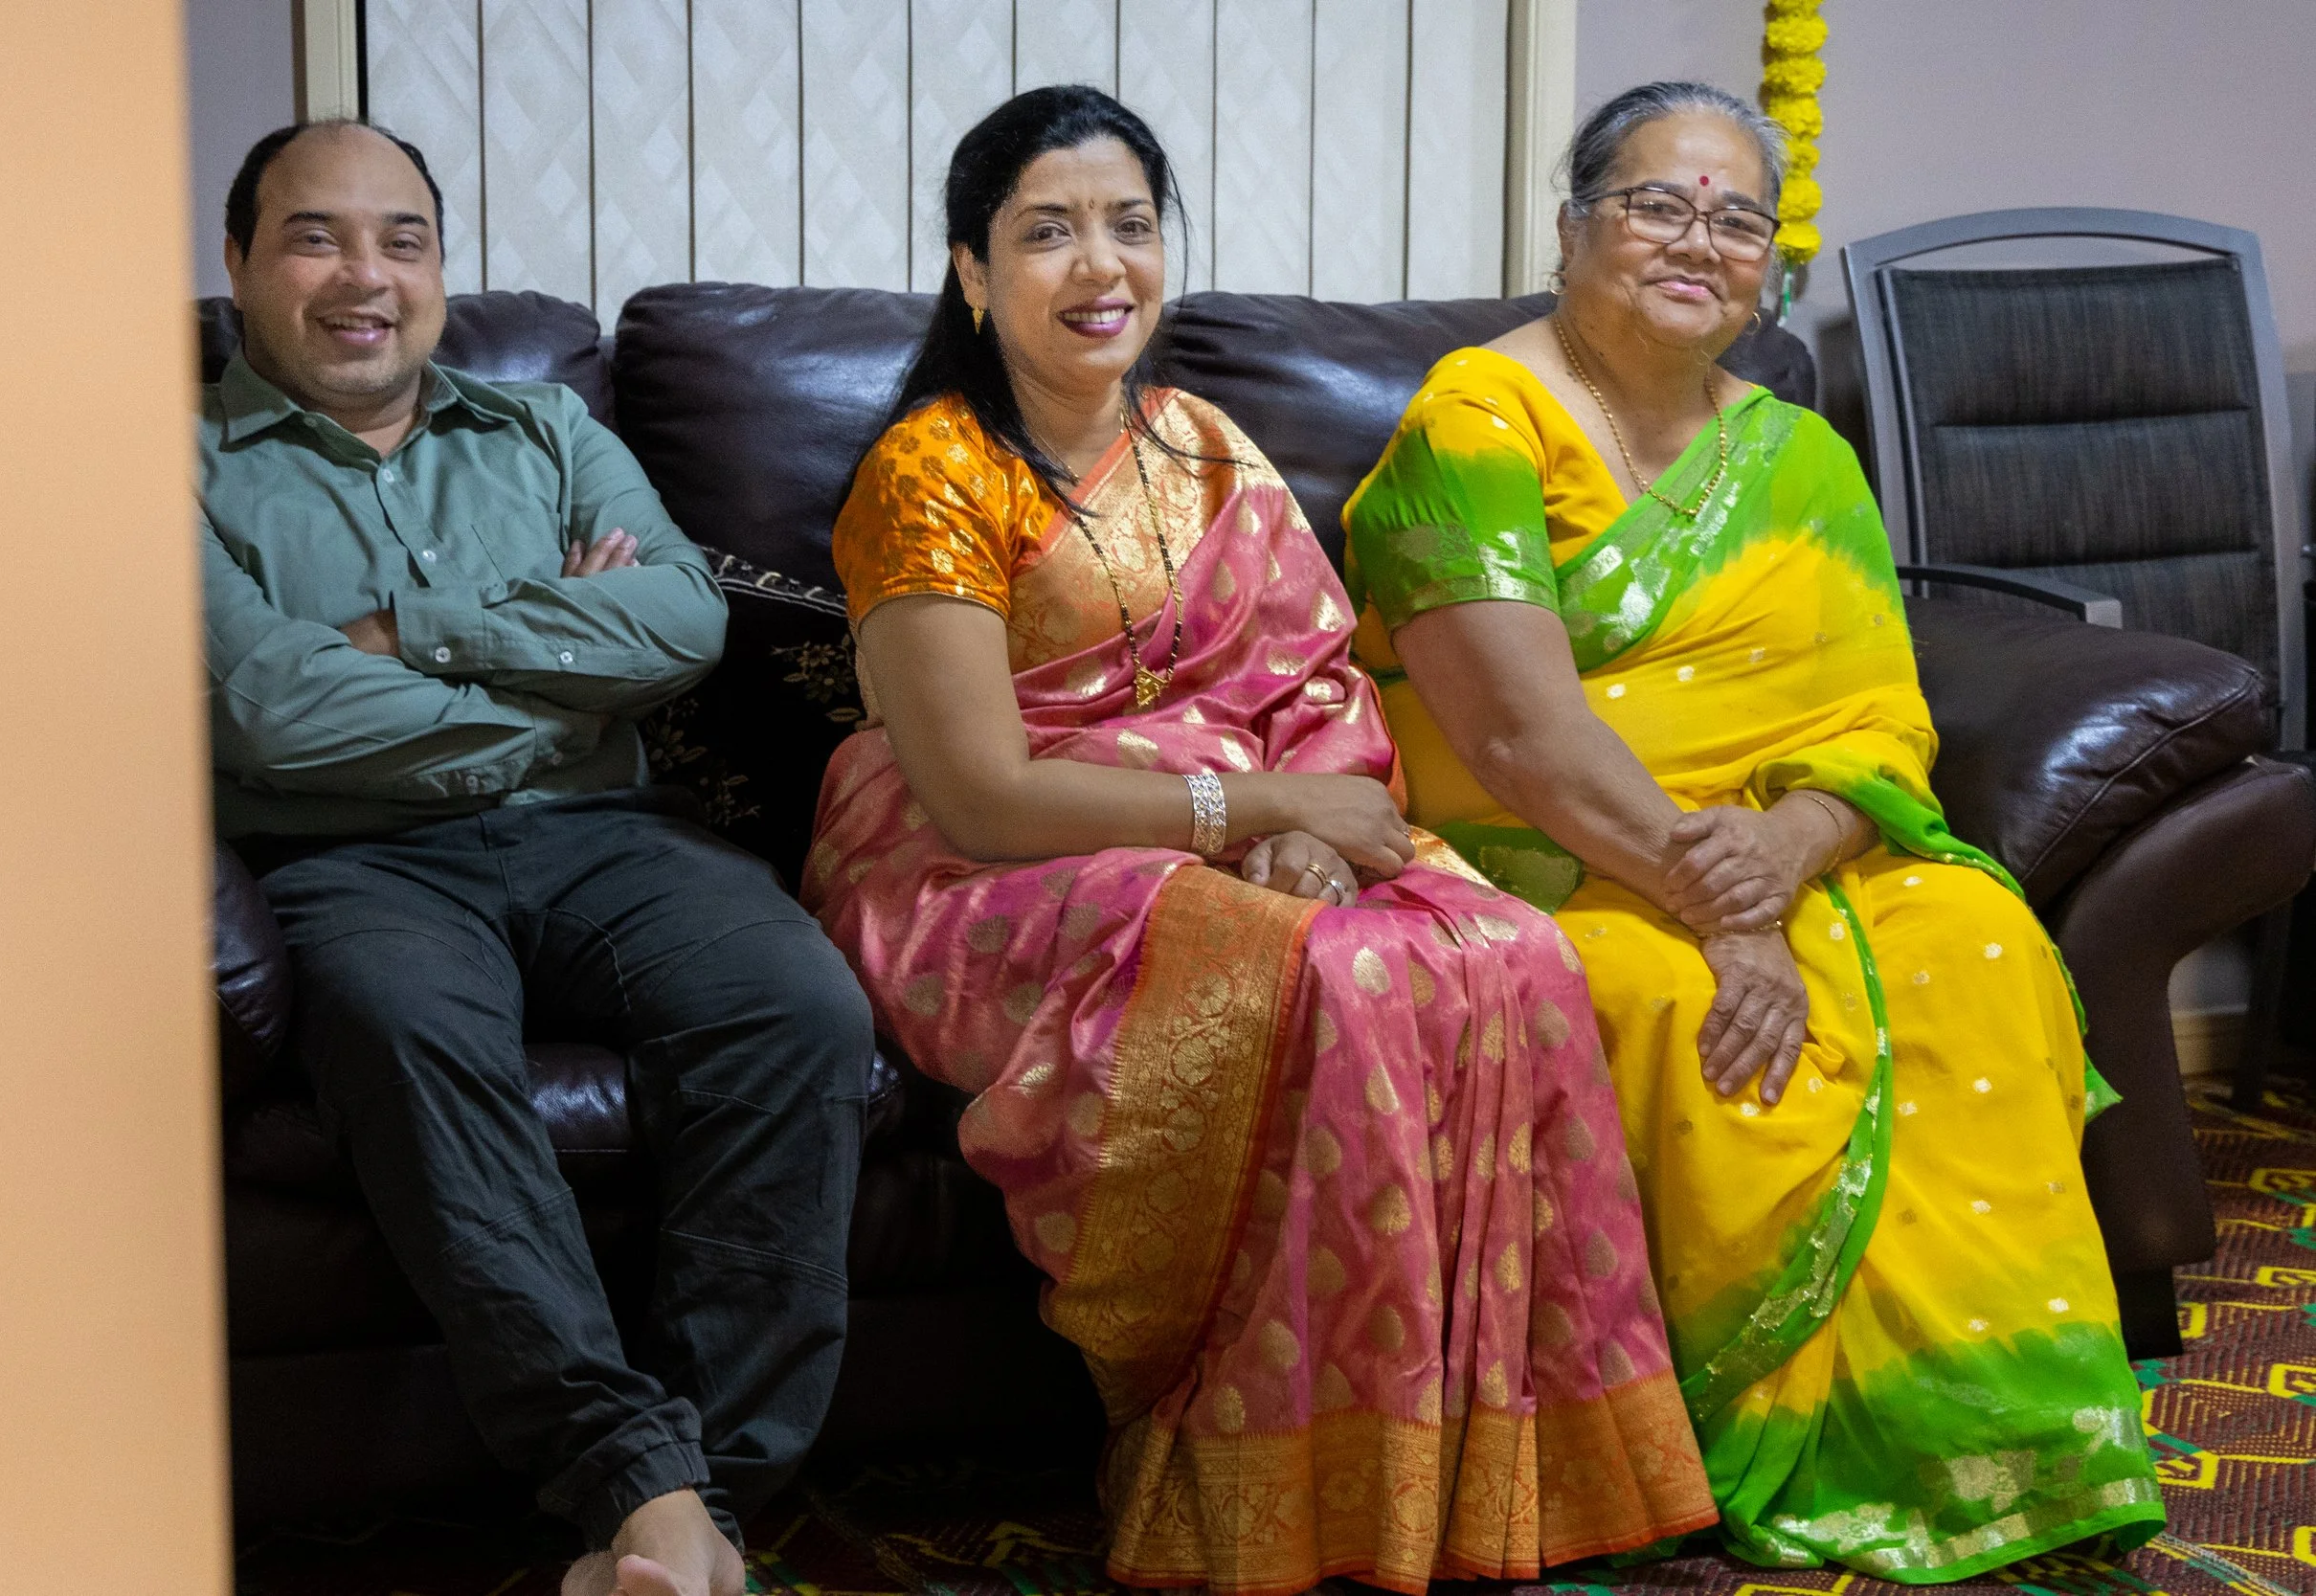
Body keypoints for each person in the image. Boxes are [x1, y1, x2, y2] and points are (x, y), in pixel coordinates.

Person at [802, 85, 1716, 1594]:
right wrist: (1260, 815)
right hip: (986, 867)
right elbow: (979, 793)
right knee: (1320, 981)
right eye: (1048, 233)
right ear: (972, 271)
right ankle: (1273, 1493)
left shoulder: (1208, 448)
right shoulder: (930, 474)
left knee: (1508, 951)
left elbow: (1314, 684)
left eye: (1131, 225)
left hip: (1246, 826)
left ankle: (1473, 1488)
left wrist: (1319, 835)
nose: (1101, 265)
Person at [1339, 80, 2167, 1581]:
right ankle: (1757, 1438)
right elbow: (1515, 734)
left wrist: (1784, 857)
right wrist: (1720, 906)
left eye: (1737, 221)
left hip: (1779, 855)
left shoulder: (1803, 456)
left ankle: (1994, 1437)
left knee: (1975, 937)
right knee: (1670, 999)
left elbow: (1882, 719)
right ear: (1572, 227)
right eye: (1656, 203)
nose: (1697, 241)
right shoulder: (1475, 419)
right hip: (1552, 852)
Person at [202, 120, 874, 1596]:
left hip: (607, 838)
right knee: (404, 1032)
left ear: (440, 267)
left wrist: (414, 635)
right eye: (315, 237)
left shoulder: (551, 431)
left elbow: (682, 622)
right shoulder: (170, 470)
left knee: (797, 1007)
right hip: (357, 862)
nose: (365, 276)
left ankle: (690, 1507)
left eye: (404, 240)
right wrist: (563, 685)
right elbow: (268, 708)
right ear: (238, 262)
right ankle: (639, 1483)